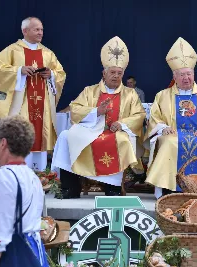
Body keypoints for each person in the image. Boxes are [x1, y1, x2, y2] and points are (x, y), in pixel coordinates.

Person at [51, 36, 146, 198]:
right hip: (90, 131)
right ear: (104, 73)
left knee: (121, 141)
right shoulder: (90, 91)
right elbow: (75, 109)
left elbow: (139, 114)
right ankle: (70, 187)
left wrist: (122, 123)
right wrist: (96, 112)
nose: (115, 76)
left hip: (116, 132)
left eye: (119, 73)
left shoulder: (130, 94)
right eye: (112, 72)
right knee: (66, 136)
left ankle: (113, 188)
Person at [144, 37, 197, 198]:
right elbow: (155, 118)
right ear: (174, 76)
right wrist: (163, 128)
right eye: (182, 75)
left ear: (194, 74)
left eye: (189, 74)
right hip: (171, 134)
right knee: (169, 143)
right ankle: (168, 188)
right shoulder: (163, 95)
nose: (186, 78)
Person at [0, 17, 66, 171]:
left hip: (41, 105)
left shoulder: (47, 53)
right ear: (25, 31)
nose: (40, 33)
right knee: (22, 133)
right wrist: (19, 71)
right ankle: (21, 172)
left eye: (42, 30)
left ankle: (43, 176)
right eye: (36, 29)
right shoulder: (12, 50)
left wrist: (50, 74)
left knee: (40, 137)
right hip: (22, 106)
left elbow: (61, 73)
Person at [0, 115, 48, 267]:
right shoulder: (32, 177)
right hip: (34, 255)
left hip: (12, 257)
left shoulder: (0, 178)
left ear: (3, 143)